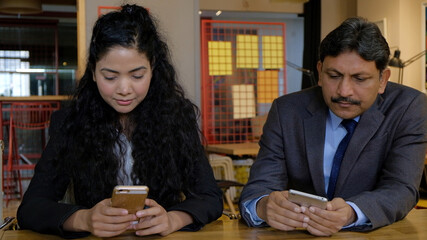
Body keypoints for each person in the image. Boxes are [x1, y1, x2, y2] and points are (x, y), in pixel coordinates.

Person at [17, 4, 222, 238]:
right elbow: (31, 208)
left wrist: (172, 219)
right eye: (110, 76)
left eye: (137, 75)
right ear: (93, 72)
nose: (124, 89)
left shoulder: (176, 116)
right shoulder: (70, 121)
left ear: (153, 69)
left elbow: (210, 197)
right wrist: (84, 218)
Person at [239, 17, 427, 236]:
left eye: (359, 78)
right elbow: (259, 188)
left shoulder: (408, 107)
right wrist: (264, 207)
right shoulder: (287, 111)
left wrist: (351, 213)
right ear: (320, 72)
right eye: (334, 76)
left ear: (383, 79)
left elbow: (401, 188)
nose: (344, 91)